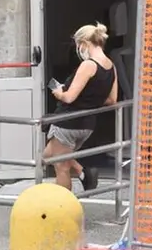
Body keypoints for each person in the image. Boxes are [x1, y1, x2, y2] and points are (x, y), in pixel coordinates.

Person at [45, 22, 117, 191]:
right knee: (47, 155)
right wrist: (91, 100)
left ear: (84, 43)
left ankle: (63, 207)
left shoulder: (88, 65)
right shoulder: (111, 66)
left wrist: (58, 92)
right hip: (87, 125)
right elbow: (112, 99)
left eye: (78, 45)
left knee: (60, 167)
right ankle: (83, 172)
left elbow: (69, 97)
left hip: (68, 122)